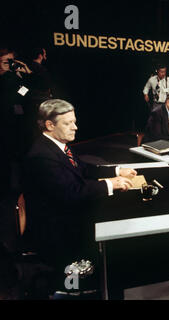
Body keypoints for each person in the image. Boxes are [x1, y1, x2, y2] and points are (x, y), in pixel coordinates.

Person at [23, 99, 137, 274]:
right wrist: (110, 184)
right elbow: (71, 194)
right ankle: (93, 280)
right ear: (49, 125)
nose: (75, 127)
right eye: (68, 123)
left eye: (74, 122)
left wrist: (117, 171)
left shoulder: (58, 146)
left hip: (65, 213)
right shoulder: (42, 156)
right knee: (120, 216)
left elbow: (83, 169)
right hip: (57, 230)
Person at [0, 48, 33, 193]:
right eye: (6, 62)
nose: (9, 65)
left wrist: (23, 76)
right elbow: (22, 94)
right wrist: (22, 82)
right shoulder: (8, 79)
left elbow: (24, 95)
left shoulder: (13, 78)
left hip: (15, 125)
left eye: (11, 62)